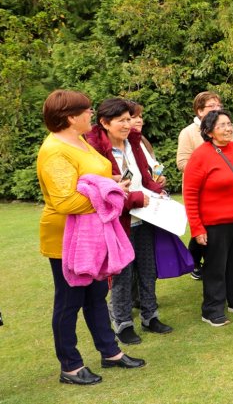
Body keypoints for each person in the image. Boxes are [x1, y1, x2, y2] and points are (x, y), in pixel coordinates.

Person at [37, 90, 145, 385]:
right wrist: (112, 196)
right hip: (66, 238)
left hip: (92, 234)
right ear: (71, 117)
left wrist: (110, 183)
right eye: (86, 111)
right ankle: (70, 366)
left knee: (96, 296)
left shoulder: (79, 141)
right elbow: (65, 201)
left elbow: (89, 178)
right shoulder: (54, 150)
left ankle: (110, 353)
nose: (90, 115)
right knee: (69, 300)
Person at [85, 98, 170, 345]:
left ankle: (150, 315)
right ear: (104, 123)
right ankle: (122, 324)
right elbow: (102, 190)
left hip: (144, 216)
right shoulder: (95, 149)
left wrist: (155, 190)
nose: (128, 124)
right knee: (121, 273)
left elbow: (144, 177)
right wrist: (135, 198)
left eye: (129, 119)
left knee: (147, 268)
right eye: (121, 120)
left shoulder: (134, 142)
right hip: (117, 219)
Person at [183, 110, 233, 326]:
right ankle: (212, 309)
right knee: (215, 268)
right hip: (215, 223)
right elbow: (189, 193)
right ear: (209, 132)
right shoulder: (200, 155)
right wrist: (197, 228)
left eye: (229, 123)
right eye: (222, 125)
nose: (228, 128)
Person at [177, 91, 222, 280]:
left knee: (217, 230)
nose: (216, 109)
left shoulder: (225, 128)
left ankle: (199, 263)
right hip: (200, 191)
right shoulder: (188, 132)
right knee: (203, 229)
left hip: (222, 191)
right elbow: (182, 162)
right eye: (211, 106)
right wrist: (207, 170)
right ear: (200, 111)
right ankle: (195, 263)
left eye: (218, 105)